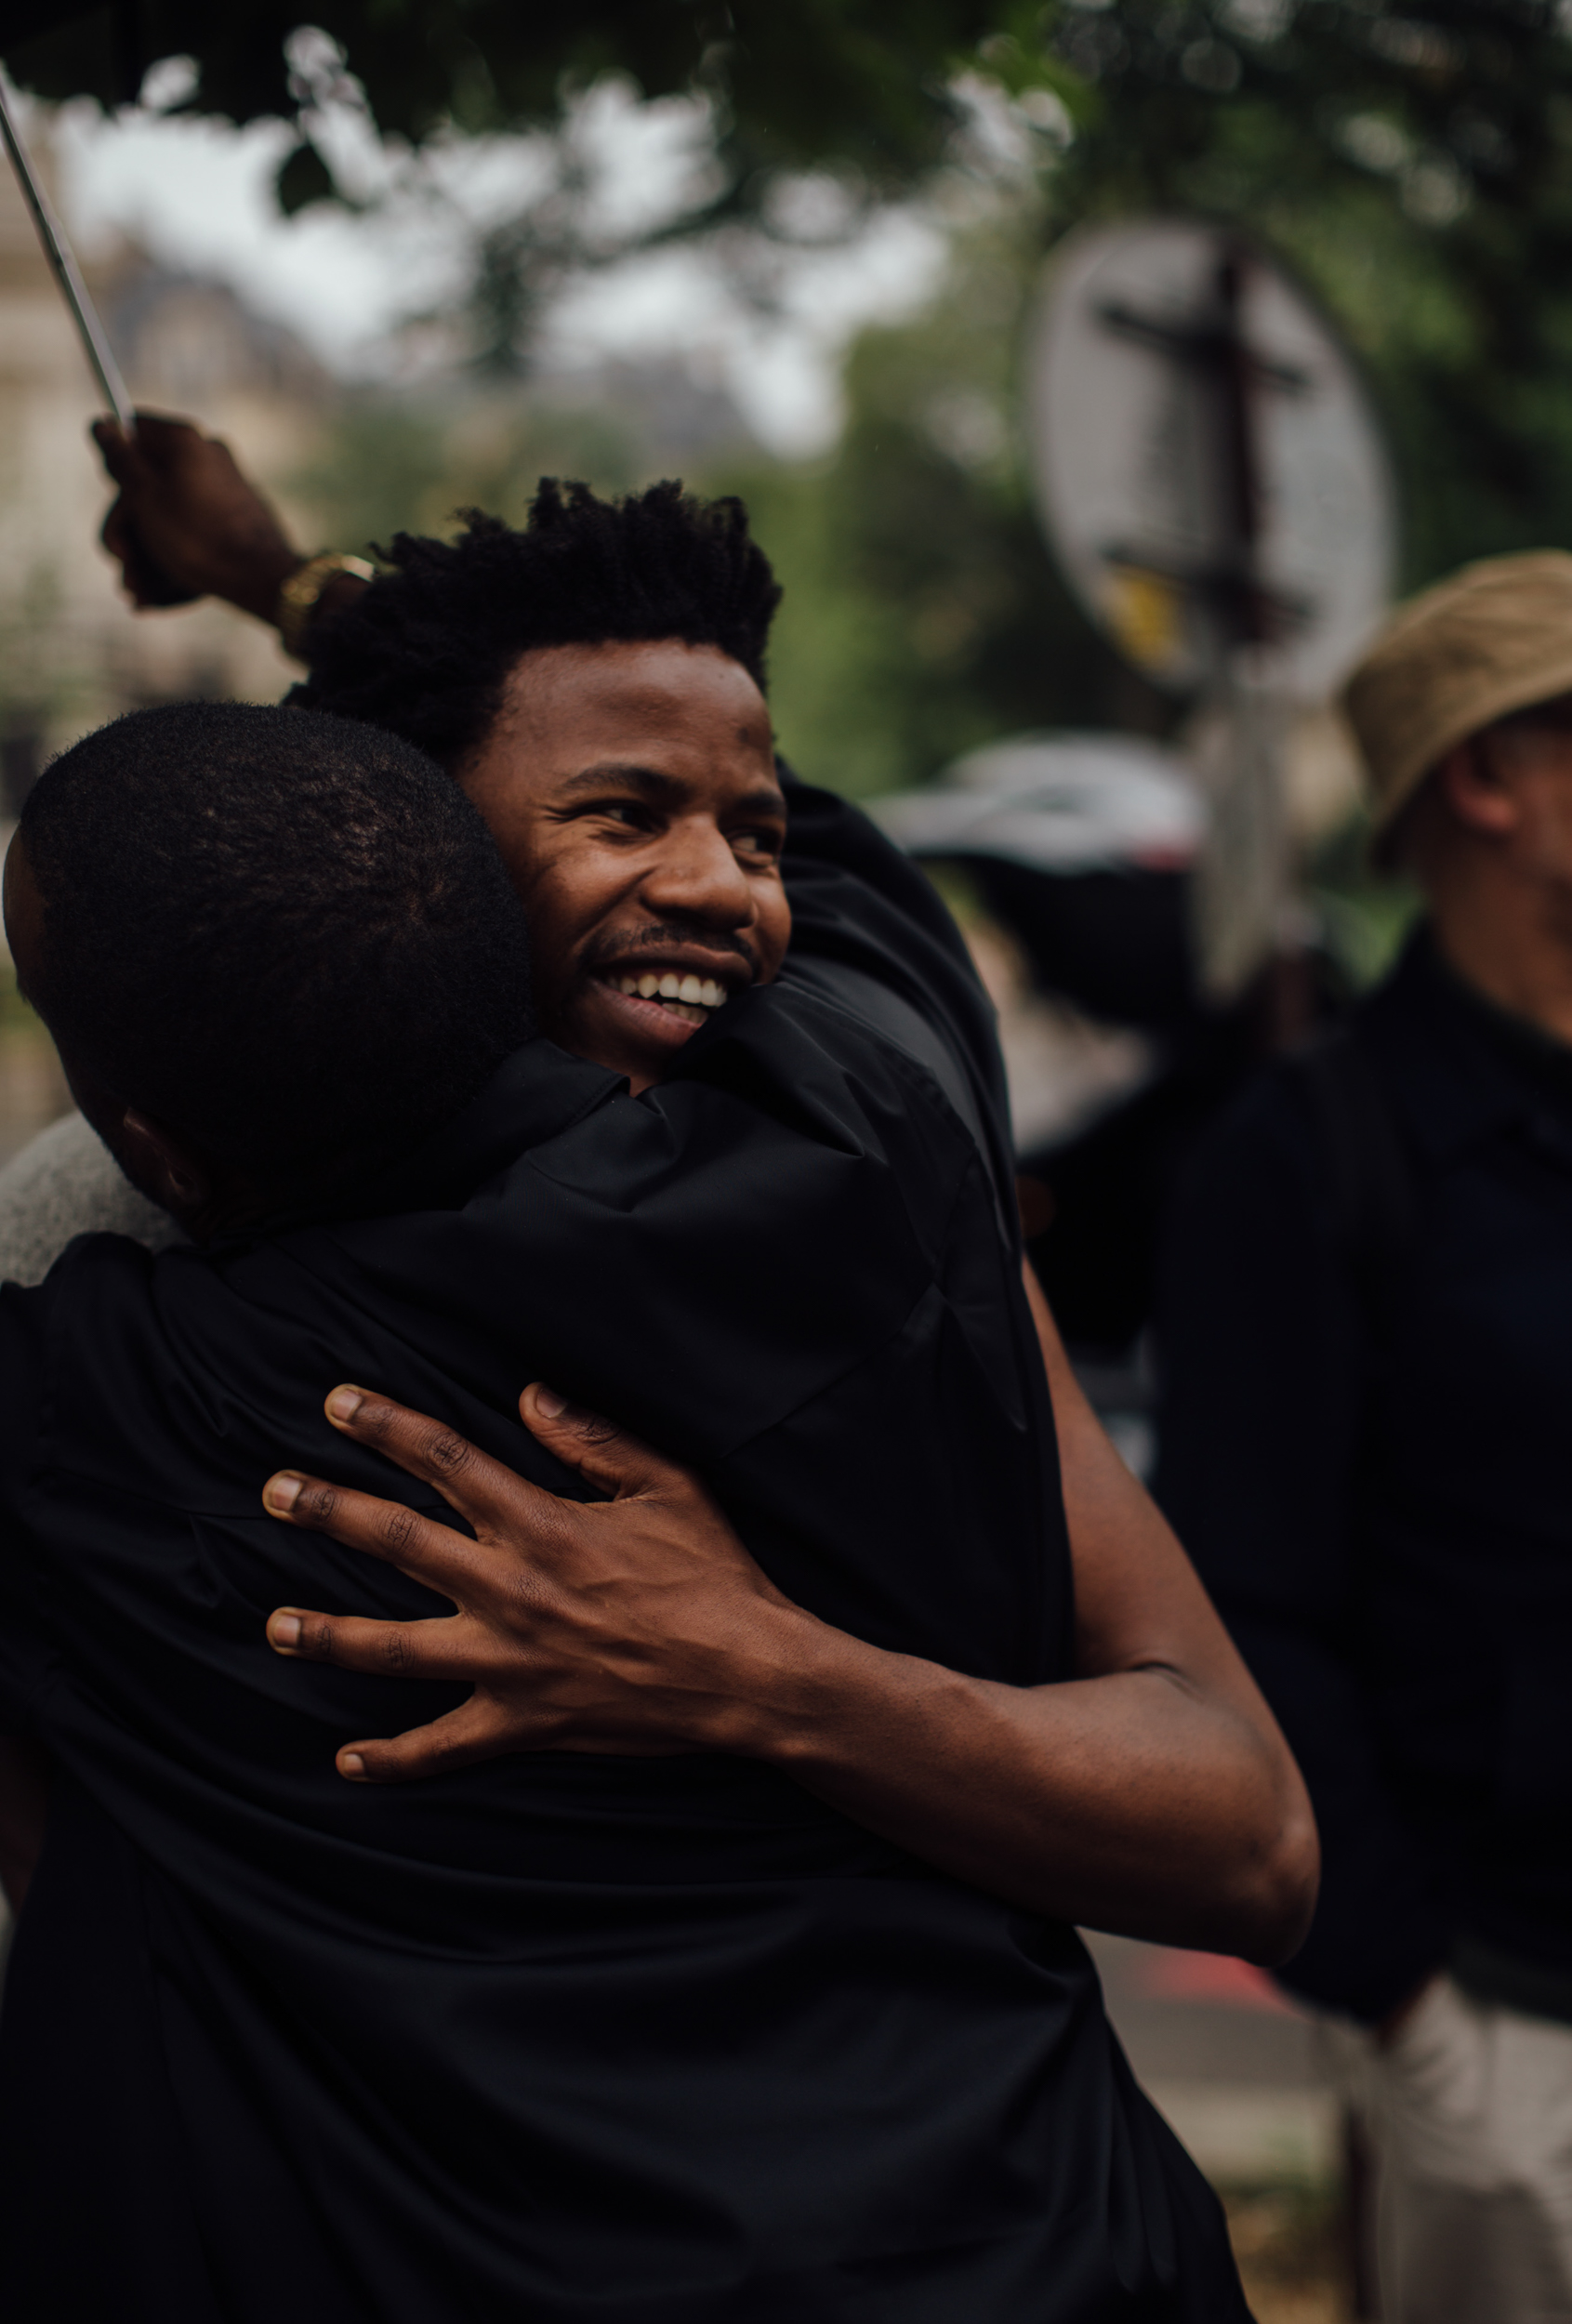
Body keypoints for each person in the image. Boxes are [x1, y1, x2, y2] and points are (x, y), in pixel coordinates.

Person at [0, 698, 1307, 2319]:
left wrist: (761, 1671)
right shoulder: (877, 1159)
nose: (712, 878)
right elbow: (854, 882)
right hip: (1040, 2250)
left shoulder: (106, 1415)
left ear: (158, 1155)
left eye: (738, 832)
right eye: (620, 820)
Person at [1155, 550, 1572, 2324]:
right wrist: (1416, 2016)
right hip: (1514, 2019)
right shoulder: (1311, 1153)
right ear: (1492, 781)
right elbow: (1242, 1612)